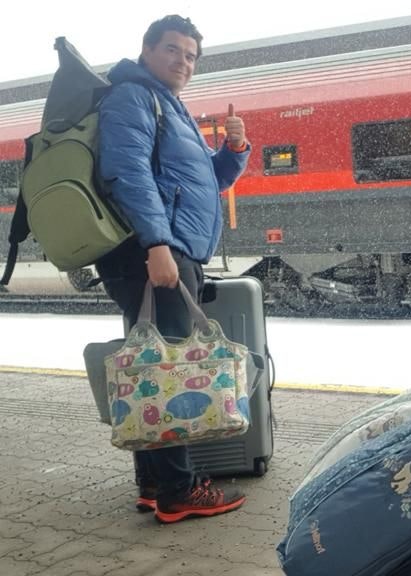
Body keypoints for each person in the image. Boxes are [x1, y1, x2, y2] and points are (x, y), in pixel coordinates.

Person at [94, 15, 251, 523]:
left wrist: (234, 150)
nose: (183, 62)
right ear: (146, 50)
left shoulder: (168, 104)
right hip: (155, 252)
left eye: (190, 56)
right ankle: (179, 490)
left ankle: (154, 482)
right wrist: (157, 243)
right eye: (172, 50)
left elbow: (206, 180)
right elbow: (128, 172)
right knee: (170, 373)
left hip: (168, 249)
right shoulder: (133, 97)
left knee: (150, 367)